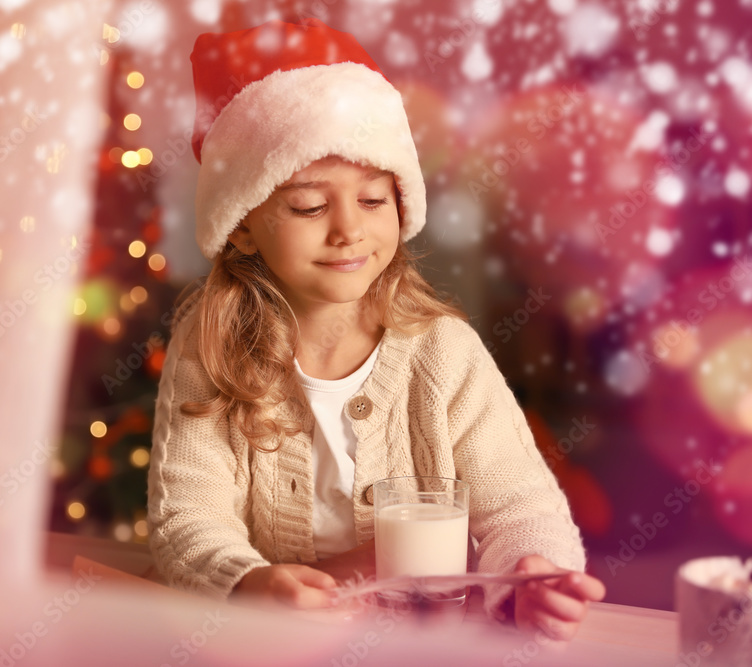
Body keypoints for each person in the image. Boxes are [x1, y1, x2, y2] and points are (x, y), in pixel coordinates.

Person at [147, 17, 605, 641]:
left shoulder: (443, 351)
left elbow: (521, 506)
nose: (348, 231)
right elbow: (187, 520)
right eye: (309, 205)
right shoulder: (212, 347)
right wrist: (248, 583)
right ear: (243, 224)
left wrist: (534, 576)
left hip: (419, 642)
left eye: (372, 200)